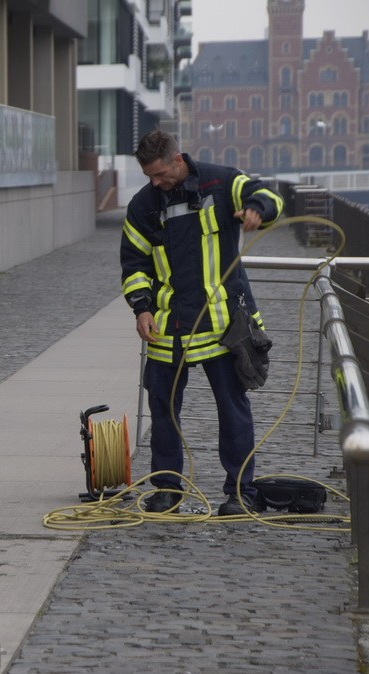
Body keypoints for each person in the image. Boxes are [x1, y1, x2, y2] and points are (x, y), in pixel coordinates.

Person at [120, 129, 283, 516]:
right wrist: (141, 307)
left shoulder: (222, 182)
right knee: (162, 411)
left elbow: (269, 194)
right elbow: (134, 263)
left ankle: (239, 493)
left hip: (222, 324)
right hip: (167, 326)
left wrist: (258, 208)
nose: (155, 182)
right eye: (149, 177)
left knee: (232, 408)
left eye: (160, 174)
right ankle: (167, 489)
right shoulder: (143, 205)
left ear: (178, 160)